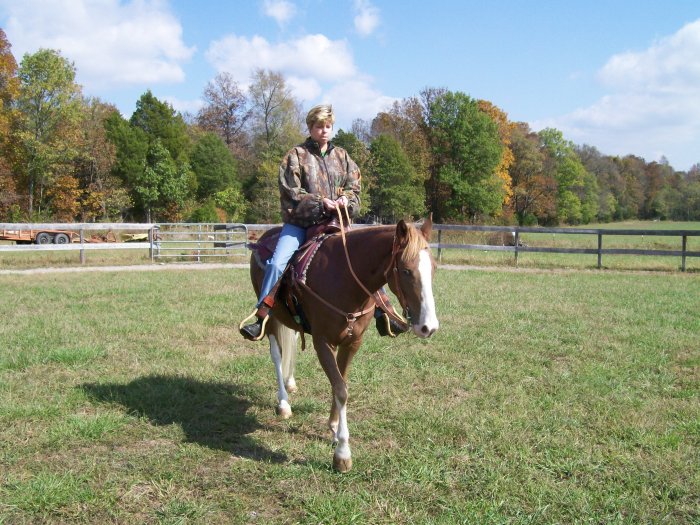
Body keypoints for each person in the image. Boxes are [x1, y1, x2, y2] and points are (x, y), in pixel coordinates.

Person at [240, 104, 407, 341]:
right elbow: (291, 192)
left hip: (335, 224)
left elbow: (355, 190)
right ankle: (262, 314)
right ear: (310, 127)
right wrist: (321, 203)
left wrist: (345, 200)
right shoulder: (295, 156)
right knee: (278, 263)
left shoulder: (343, 157)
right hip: (300, 224)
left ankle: (385, 312)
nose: (324, 131)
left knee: (361, 260)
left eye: (328, 126)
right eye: (319, 126)